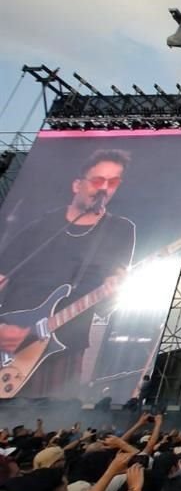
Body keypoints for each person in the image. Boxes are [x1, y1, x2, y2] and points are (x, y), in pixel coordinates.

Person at [0, 149, 136, 397]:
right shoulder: (42, 225)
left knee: (44, 416)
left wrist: (114, 286)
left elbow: (112, 287)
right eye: (97, 180)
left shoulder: (120, 230)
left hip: (64, 343)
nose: (104, 188)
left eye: (112, 182)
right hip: (8, 339)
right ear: (77, 184)